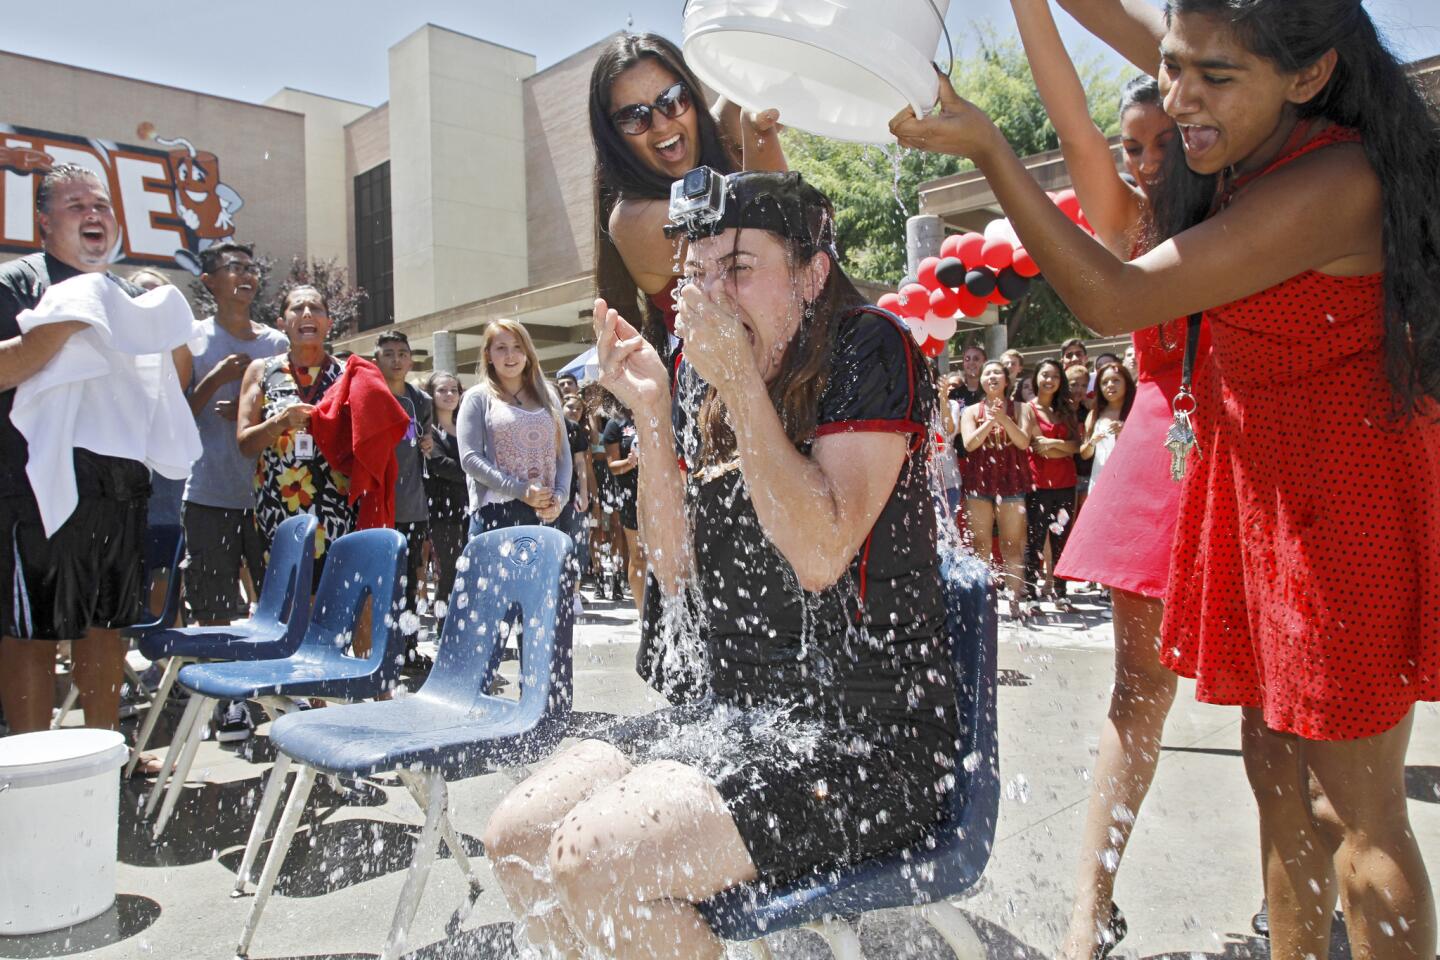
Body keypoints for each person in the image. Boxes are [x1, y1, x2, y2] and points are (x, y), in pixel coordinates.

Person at [892, 0, 1440, 955]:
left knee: (1357, 812)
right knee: (1274, 776)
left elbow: (1115, 294)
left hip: (1338, 517)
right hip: (1264, 495)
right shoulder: (1249, 101)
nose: (1180, 97)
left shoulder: (1334, 177)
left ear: (1308, 75)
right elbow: (1115, 23)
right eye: (1175, 66)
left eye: (1208, 78)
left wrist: (988, 148)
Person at [482, 170, 956, 959]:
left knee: (595, 858)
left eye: (738, 268)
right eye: (697, 275)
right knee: (517, 837)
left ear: (810, 273)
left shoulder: (869, 345)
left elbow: (818, 555)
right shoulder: (710, 382)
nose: (709, 296)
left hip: (868, 740)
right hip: (740, 718)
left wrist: (738, 382)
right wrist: (655, 411)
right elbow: (672, 570)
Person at [1003, 6, 1220, 950]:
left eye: (1161, 142)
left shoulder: (1265, 204)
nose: (1139, 159)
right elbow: (1070, 127)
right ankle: (1091, 904)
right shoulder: (1128, 222)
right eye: (1132, 144)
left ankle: (1293, 892)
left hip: (1262, 448)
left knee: (1277, 706)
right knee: (1138, 688)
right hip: (1159, 449)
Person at [0, 164, 155, 734]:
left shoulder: (129, 294)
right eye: (75, 206)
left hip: (118, 487)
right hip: (32, 487)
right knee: (30, 627)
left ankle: (102, 762)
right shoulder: (16, 281)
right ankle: (31, 771)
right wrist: (59, 327)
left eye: (102, 206)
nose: (94, 215)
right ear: (43, 222)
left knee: (105, 624)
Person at [590, 33, 786, 357]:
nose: (661, 124)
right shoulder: (630, 221)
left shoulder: (719, 131)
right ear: (614, 137)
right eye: (634, 117)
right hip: (721, 395)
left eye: (673, 99)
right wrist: (758, 134)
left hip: (800, 362)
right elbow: (768, 234)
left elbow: (769, 56)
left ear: (693, 98)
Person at [176, 242, 290, 744]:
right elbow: (174, 413)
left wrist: (251, 413)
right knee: (215, 602)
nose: (245, 276)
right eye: (233, 269)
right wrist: (219, 380)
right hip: (209, 492)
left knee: (277, 601)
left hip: (270, 498)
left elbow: (295, 408)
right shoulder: (194, 339)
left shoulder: (278, 343)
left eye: (250, 268)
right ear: (209, 282)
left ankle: (277, 695)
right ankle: (230, 704)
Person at [236, 286, 356, 575]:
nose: (307, 314)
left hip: (337, 508)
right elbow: (244, 444)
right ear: (281, 323)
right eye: (297, 308)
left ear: (328, 322)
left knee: (334, 602)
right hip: (278, 508)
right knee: (285, 604)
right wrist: (280, 422)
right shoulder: (262, 371)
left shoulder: (349, 373)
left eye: (316, 308)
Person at [456, 319, 571, 536]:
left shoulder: (547, 395)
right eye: (501, 348)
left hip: (545, 511)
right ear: (488, 354)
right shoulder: (477, 398)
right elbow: (469, 459)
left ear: (527, 352)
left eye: (518, 347)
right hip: (495, 512)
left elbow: (563, 453)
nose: (511, 355)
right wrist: (520, 490)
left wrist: (561, 497)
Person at [374, 331, 433, 670]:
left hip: (411, 506)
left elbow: (425, 438)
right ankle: (377, 650)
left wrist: (427, 443)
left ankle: (408, 650)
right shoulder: (370, 395)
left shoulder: (419, 400)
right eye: (389, 354)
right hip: (376, 507)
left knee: (409, 583)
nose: (396, 360)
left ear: (411, 360)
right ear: (376, 359)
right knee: (379, 583)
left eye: (402, 353)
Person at [960, 360, 1032, 619]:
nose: (992, 377)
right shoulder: (970, 411)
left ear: (1006, 380)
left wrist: (1003, 419)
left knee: (1012, 544)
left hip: (1012, 481)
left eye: (997, 373)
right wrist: (990, 422)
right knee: (980, 545)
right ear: (981, 380)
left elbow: (1023, 442)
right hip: (979, 482)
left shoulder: (1022, 408)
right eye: (987, 373)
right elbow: (969, 444)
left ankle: (1014, 601)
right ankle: (983, 600)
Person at [1026, 359, 1080, 613]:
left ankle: (1061, 592)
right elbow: (1035, 445)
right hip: (1038, 485)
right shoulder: (1029, 409)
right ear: (1037, 378)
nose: (1050, 380)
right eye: (1045, 375)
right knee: (1035, 539)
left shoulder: (1067, 410)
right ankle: (1031, 594)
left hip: (1065, 484)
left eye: (1055, 376)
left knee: (1061, 538)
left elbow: (1075, 447)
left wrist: (1051, 444)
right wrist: (1058, 446)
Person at [421, 371, 468, 633]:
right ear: (431, 394)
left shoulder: (466, 425)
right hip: (441, 509)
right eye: (442, 390)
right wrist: (475, 474)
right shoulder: (427, 429)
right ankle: (445, 625)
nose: (449, 395)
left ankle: (467, 623)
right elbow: (439, 465)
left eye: (454, 390)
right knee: (449, 569)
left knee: (471, 568)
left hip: (469, 507)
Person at [601, 403, 643, 614]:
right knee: (639, 555)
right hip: (631, 495)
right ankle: (643, 613)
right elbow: (613, 466)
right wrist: (629, 463)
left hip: (660, 493)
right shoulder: (615, 423)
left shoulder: (656, 410)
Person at [1081, 361, 1136, 493]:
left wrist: (1125, 432)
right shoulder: (1094, 414)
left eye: (1116, 380)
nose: (1110, 385)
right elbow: (1084, 454)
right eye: (1104, 382)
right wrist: (1092, 442)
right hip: (1100, 480)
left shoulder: (1136, 411)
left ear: (1126, 384)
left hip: (1131, 479)